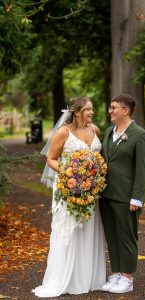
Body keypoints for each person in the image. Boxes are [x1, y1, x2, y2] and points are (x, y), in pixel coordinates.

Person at [32, 97, 106, 297]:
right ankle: (67, 279)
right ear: (77, 112)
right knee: (70, 230)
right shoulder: (64, 131)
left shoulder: (95, 130)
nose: (92, 112)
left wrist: (93, 176)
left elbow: (99, 159)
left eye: (92, 108)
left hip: (90, 190)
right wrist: (69, 173)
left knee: (88, 228)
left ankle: (89, 278)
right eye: (88, 109)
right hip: (68, 188)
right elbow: (51, 159)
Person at [100, 94, 145, 294]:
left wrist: (137, 197)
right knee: (112, 235)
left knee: (126, 236)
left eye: (113, 107)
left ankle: (128, 277)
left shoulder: (139, 135)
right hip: (106, 194)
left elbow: (142, 169)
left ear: (125, 110)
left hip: (126, 196)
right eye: (110, 107)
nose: (110, 111)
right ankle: (117, 273)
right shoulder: (107, 132)